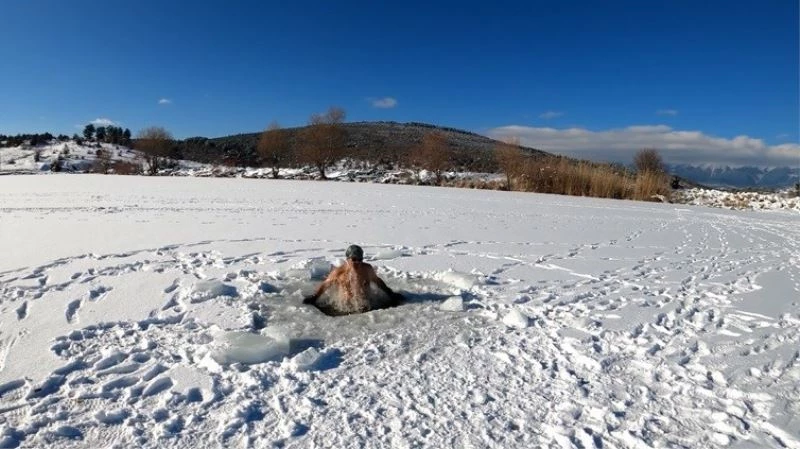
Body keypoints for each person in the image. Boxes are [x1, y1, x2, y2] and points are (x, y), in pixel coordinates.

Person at [303, 245, 404, 315]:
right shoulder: (339, 272)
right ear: (348, 259)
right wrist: (314, 297)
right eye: (354, 259)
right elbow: (325, 285)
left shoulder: (367, 269)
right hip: (346, 308)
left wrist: (390, 293)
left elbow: (377, 281)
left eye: (360, 260)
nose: (357, 262)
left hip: (366, 305)